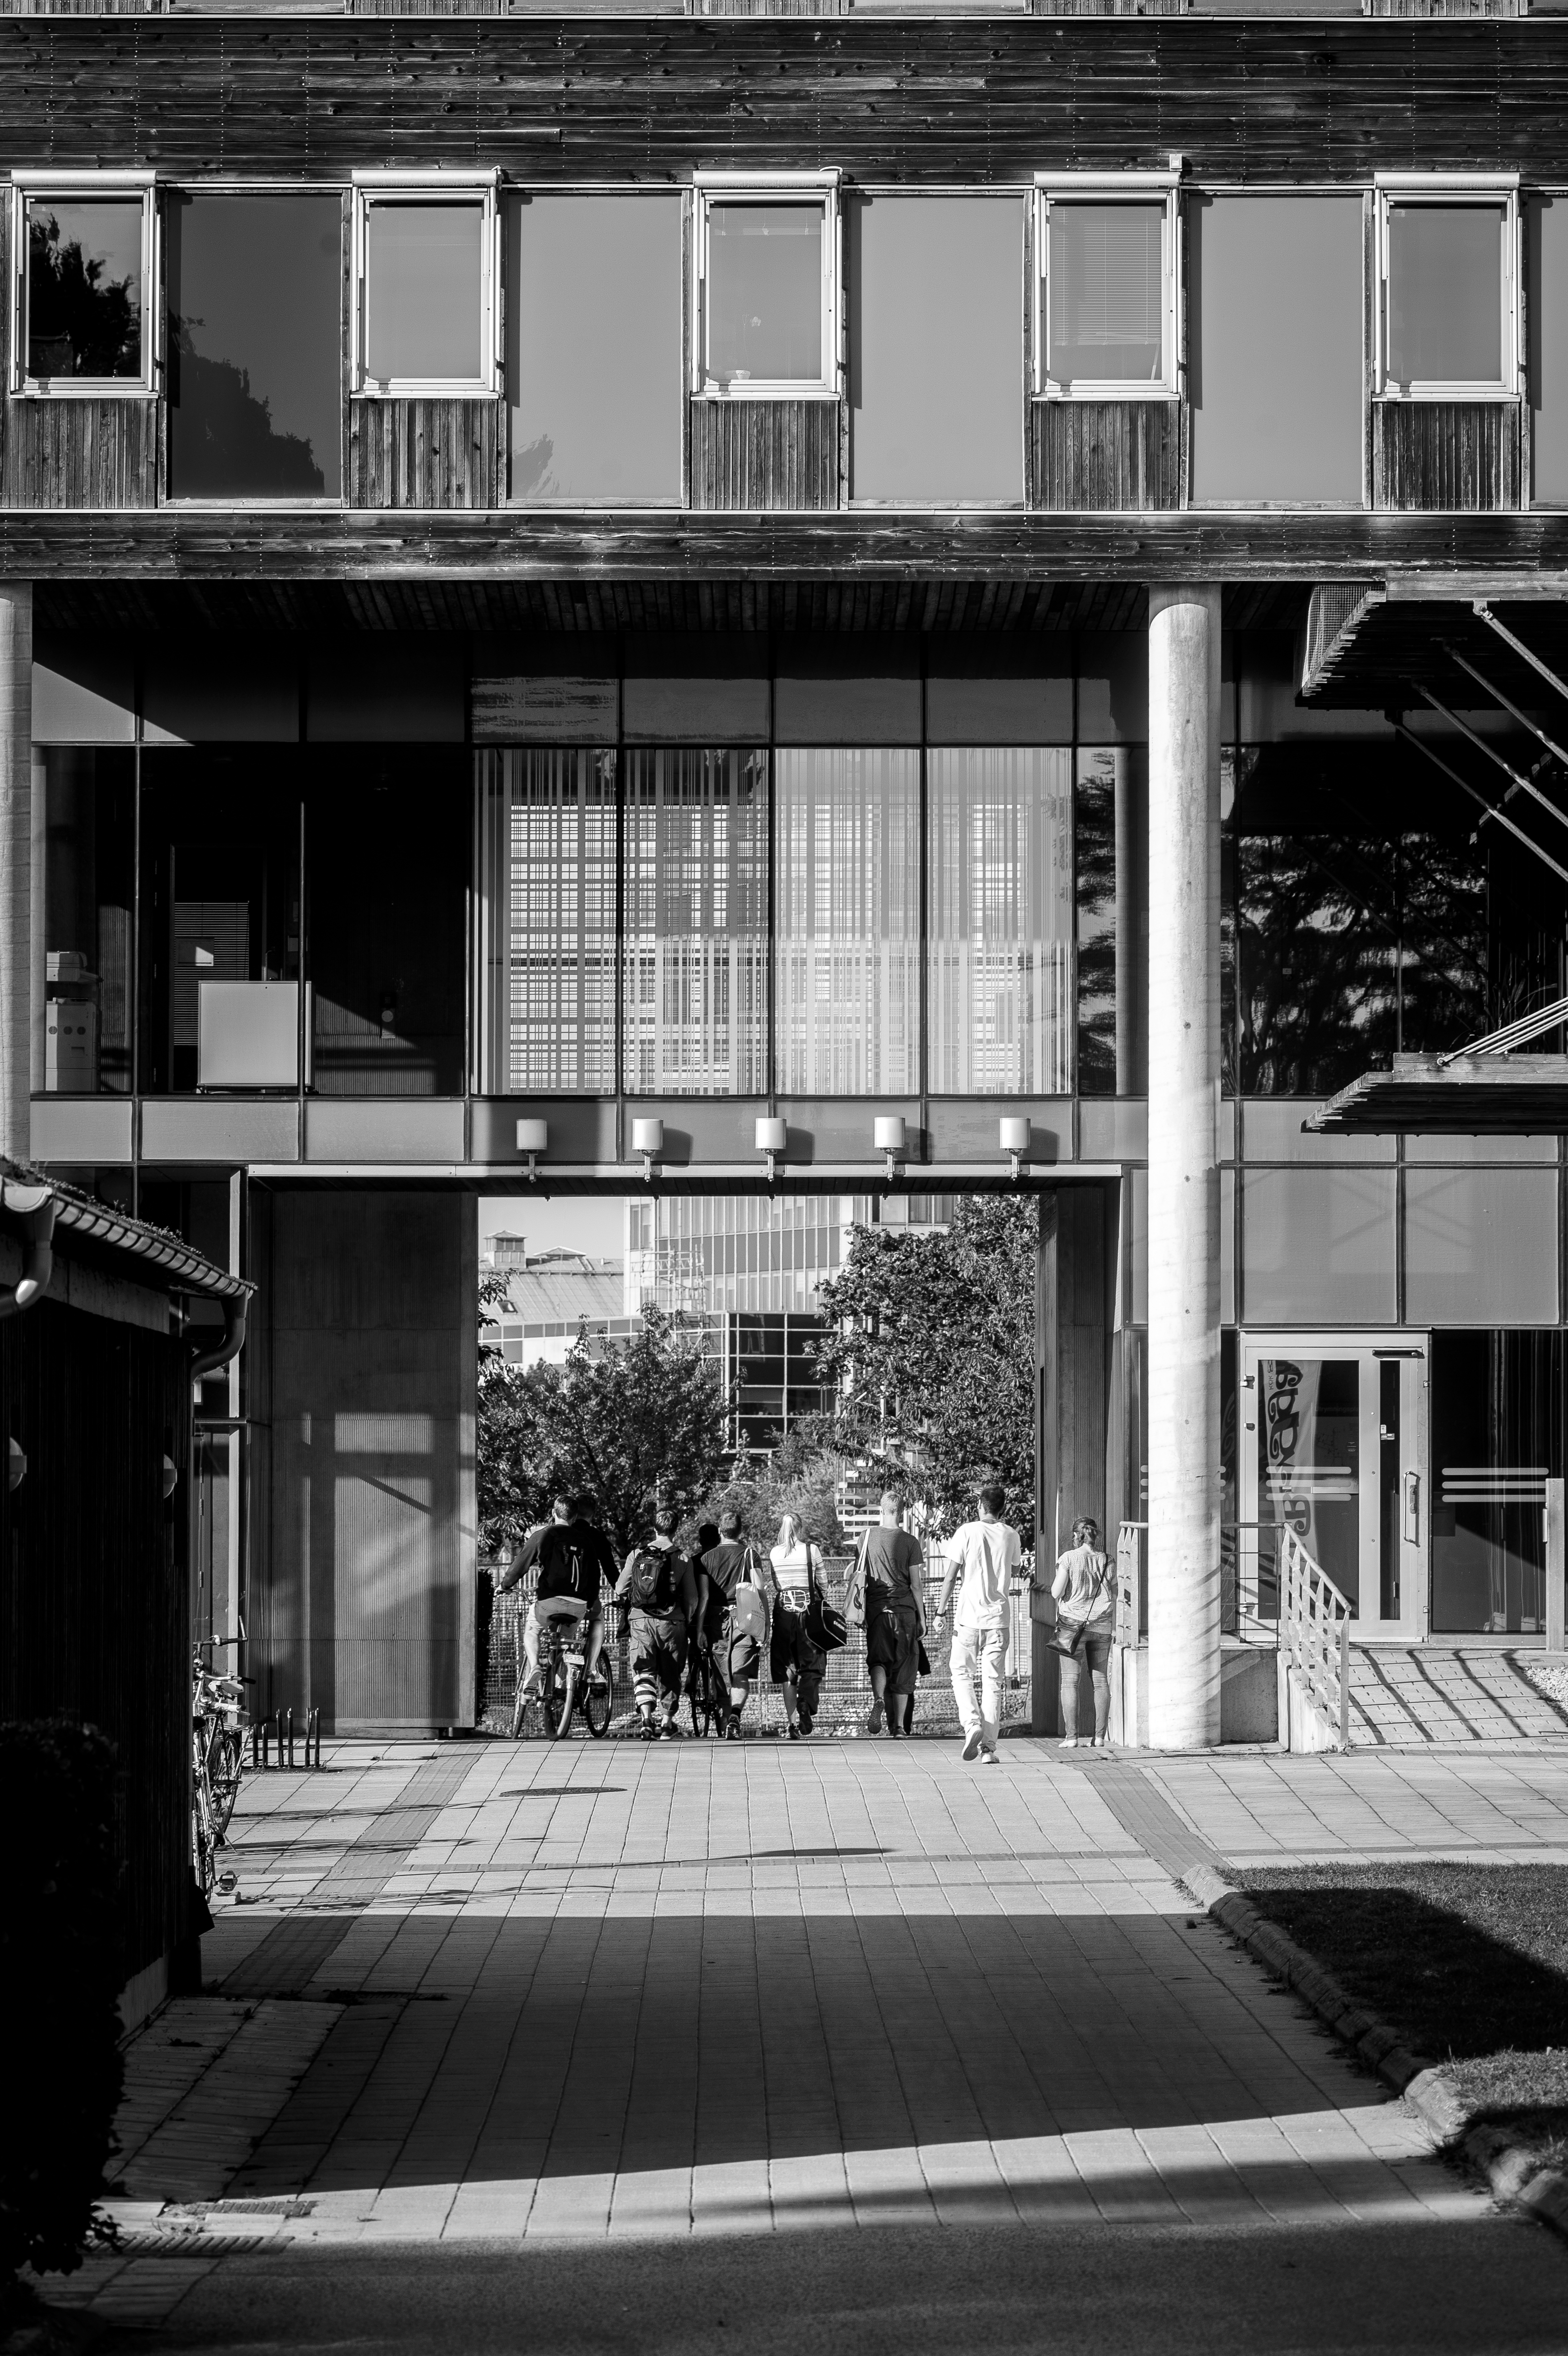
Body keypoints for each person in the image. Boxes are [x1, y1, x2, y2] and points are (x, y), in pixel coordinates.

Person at [932, 1482, 1021, 1765]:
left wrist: (940, 1611)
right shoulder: (1011, 1534)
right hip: (999, 1620)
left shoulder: (967, 1531)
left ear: (980, 1506)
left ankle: (972, 1725)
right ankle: (989, 1750)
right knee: (994, 1683)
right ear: (1002, 1508)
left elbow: (950, 1576)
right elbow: (1016, 1569)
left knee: (960, 1673)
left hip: (969, 1618)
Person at [500, 1494, 617, 1701]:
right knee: (567, 1639)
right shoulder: (589, 1539)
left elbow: (519, 1567)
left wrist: (504, 1586)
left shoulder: (543, 1535)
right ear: (574, 1518)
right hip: (580, 1605)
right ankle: (585, 1671)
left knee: (532, 1629)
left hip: (549, 1602)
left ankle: (536, 1667)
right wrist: (590, 1602)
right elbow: (596, 1575)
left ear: (554, 1513)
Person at [614, 1506, 699, 1740]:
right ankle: (667, 1724)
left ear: (655, 1528)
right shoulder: (683, 1558)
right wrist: (686, 1619)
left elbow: (620, 1588)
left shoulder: (637, 1554)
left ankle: (646, 1720)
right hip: (673, 1624)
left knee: (643, 1669)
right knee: (671, 1673)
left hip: (641, 1621)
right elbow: (692, 1598)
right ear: (676, 1530)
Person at [846, 1491, 926, 1738]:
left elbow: (859, 1573)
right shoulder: (911, 1542)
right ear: (902, 1512)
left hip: (878, 1611)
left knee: (878, 1660)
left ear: (881, 1510)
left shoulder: (865, 1537)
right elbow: (916, 1585)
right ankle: (900, 1727)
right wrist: (922, 1617)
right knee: (904, 1667)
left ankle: (879, 1698)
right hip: (905, 1612)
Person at [697, 1509, 766, 1741]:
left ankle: (727, 1720)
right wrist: (765, 1623)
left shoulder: (707, 1559)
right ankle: (735, 1716)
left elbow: (704, 1598)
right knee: (740, 1673)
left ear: (719, 1532)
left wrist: (699, 1630)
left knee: (722, 1674)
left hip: (716, 1621)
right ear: (741, 1530)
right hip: (744, 1617)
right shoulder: (750, 1555)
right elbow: (760, 1589)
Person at [1051, 1515, 1115, 1749]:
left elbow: (1056, 1592)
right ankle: (1099, 1737)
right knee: (1100, 1682)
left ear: (1077, 1536)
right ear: (1095, 1534)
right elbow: (1114, 1593)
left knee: (1070, 1682)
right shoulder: (1108, 1560)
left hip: (1072, 1626)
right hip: (1102, 1626)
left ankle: (1072, 1738)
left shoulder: (1069, 1558)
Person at [769, 1512, 827, 1740]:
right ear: (800, 1528)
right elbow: (823, 1584)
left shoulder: (774, 1553)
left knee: (788, 1672)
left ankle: (792, 1725)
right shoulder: (811, 1551)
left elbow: (776, 1583)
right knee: (812, 1664)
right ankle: (806, 1703)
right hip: (808, 1615)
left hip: (783, 1616)